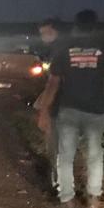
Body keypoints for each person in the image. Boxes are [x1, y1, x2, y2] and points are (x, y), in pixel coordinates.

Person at [43, 10, 104, 208]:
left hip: (69, 109)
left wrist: (44, 111)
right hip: (96, 110)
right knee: (95, 155)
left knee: (65, 156)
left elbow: (53, 83)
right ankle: (94, 198)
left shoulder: (65, 48)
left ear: (76, 26)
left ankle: (67, 201)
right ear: (94, 26)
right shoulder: (103, 48)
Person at [33, 17, 66, 194]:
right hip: (76, 105)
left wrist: (44, 110)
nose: (42, 37)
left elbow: (53, 84)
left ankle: (59, 187)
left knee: (56, 147)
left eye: (44, 33)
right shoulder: (66, 48)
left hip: (59, 105)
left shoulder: (59, 51)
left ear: (54, 31)